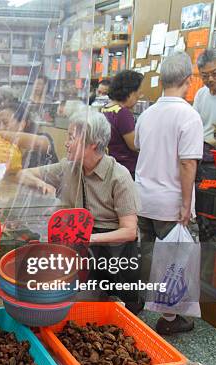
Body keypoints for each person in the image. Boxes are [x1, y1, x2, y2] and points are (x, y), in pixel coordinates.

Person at [16, 108, 142, 312]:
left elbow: (129, 231)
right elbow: (22, 174)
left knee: (101, 308)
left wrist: (87, 238)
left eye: (71, 137)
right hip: (80, 246)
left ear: (92, 144)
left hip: (109, 252)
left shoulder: (119, 176)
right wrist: (41, 184)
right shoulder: (69, 167)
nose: (66, 143)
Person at [134, 52, 203, 334]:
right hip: (171, 203)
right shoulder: (189, 116)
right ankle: (171, 319)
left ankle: (137, 303)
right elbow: (188, 163)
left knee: (147, 255)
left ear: (162, 80)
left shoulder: (147, 114)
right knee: (175, 262)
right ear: (188, 80)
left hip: (143, 199)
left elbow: (139, 146)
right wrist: (186, 204)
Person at [101, 70, 144, 177]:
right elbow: (134, 145)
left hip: (110, 166)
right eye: (137, 95)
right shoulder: (122, 113)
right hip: (126, 169)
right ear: (129, 93)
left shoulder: (105, 109)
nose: (138, 98)